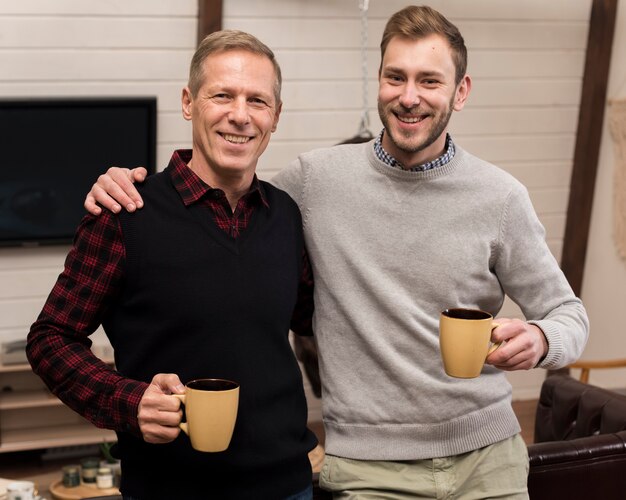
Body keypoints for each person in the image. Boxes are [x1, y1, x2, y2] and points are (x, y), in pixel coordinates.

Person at [84, 6, 589, 499]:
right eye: (396, 77)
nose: (409, 97)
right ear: (379, 82)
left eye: (429, 81)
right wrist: (129, 186)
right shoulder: (315, 179)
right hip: (368, 463)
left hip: (488, 454)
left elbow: (568, 313)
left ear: (461, 91)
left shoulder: (500, 197)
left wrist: (542, 338)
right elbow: (223, 198)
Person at [26, 30, 318, 500]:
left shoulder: (285, 214)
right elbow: (49, 339)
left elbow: (316, 320)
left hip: (287, 486)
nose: (240, 115)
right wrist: (129, 401)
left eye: (257, 101)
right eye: (221, 95)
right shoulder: (127, 213)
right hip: (168, 488)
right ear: (188, 102)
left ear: (276, 116)